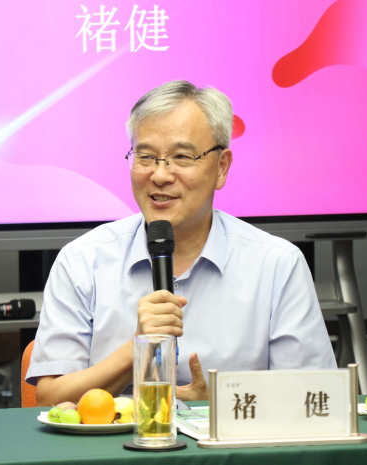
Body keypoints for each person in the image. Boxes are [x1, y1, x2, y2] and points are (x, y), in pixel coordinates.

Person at [27, 80, 336, 406]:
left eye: (182, 157)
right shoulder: (82, 261)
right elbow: (48, 400)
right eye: (146, 156)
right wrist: (137, 348)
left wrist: (215, 406)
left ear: (221, 167)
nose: (160, 175)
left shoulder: (277, 265)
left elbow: (315, 399)